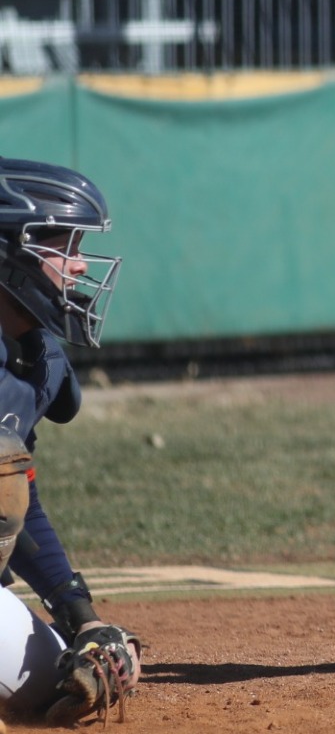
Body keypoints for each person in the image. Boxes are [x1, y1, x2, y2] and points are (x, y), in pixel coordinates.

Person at [0, 158, 143, 723]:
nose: (80, 264)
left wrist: (79, 614)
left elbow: (18, 503)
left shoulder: (34, 359)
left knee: (56, 685)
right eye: (63, 245)